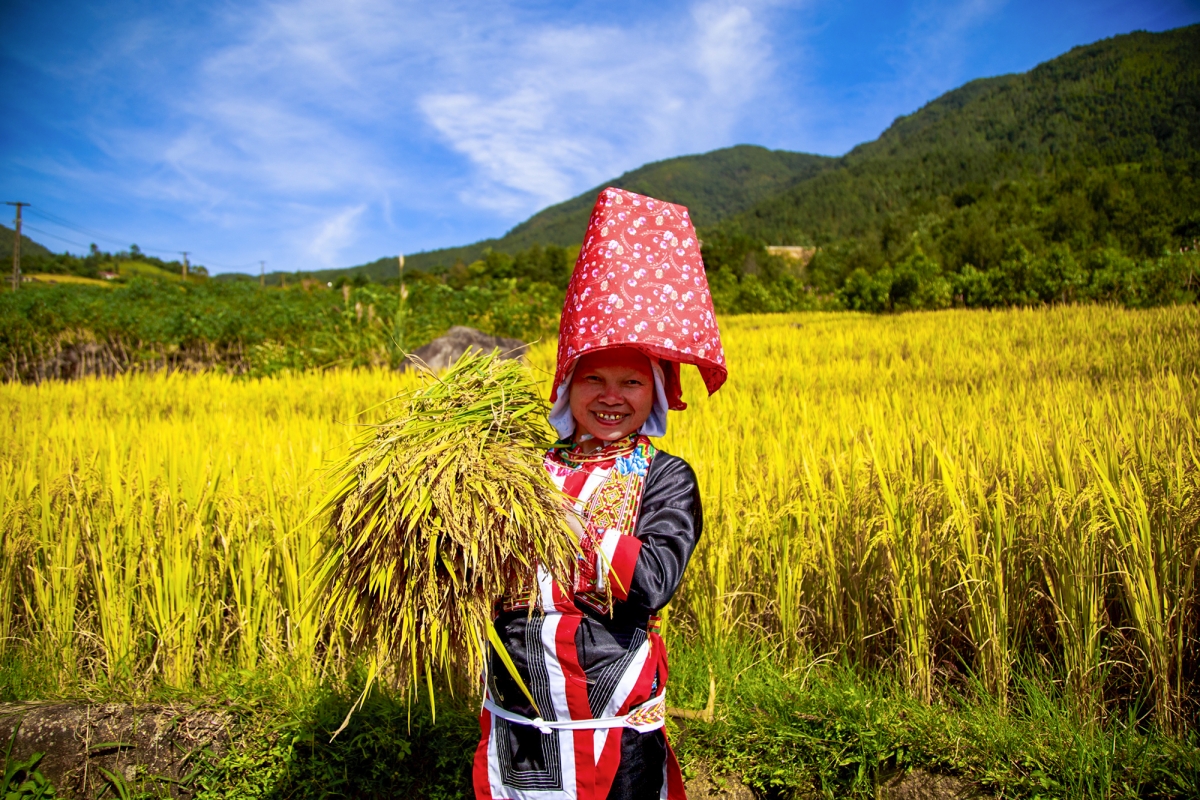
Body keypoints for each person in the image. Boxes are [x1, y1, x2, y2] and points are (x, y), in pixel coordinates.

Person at [474, 187, 728, 800]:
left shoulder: (666, 478)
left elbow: (654, 579)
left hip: (614, 739)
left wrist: (551, 526)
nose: (611, 396)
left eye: (631, 382)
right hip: (517, 728)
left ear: (656, 395)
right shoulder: (521, 468)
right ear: (568, 389)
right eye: (593, 379)